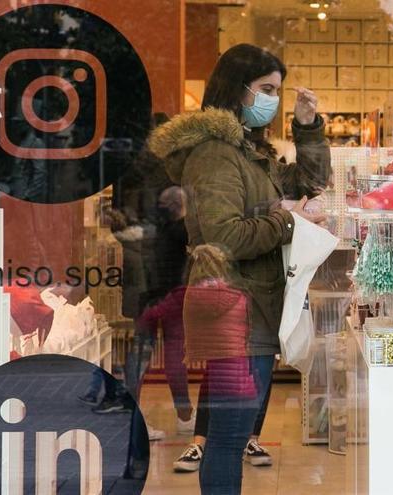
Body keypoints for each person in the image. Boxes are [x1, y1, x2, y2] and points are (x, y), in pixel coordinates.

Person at [147, 43, 330, 494]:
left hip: (250, 311)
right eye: (266, 89)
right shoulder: (215, 155)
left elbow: (308, 183)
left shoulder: (248, 153)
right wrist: (288, 221)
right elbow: (223, 236)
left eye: (277, 91)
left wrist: (306, 128)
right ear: (236, 89)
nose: (272, 100)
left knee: (231, 436)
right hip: (234, 314)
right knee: (228, 441)